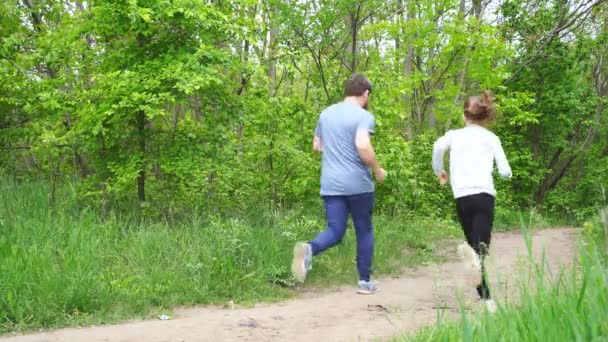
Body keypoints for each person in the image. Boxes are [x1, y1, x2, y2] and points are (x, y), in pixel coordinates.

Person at [291, 73, 387, 294]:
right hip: (358, 185)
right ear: (365, 93)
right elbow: (363, 145)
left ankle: (309, 249)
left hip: (331, 183)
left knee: (335, 230)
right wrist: (377, 169)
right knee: (364, 229)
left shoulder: (326, 114)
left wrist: (336, 151)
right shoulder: (363, 116)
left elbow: (317, 145)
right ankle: (364, 282)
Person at [431, 91, 512, 312]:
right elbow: (505, 169)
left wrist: (439, 170)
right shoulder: (491, 138)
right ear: (485, 116)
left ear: (464, 115)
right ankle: (487, 300)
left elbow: (438, 147)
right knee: (481, 248)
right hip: (485, 195)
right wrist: (505, 173)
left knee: (474, 248)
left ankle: (486, 296)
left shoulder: (454, 135)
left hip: (462, 197)